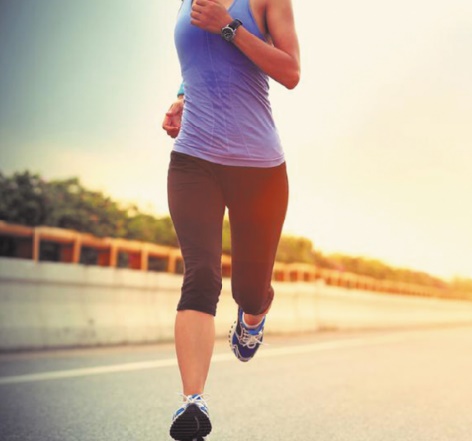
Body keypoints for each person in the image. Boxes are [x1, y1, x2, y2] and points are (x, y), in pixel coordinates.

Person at [161, 0, 300, 439]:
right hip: (194, 160)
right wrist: (182, 98)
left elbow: (291, 72)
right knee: (201, 274)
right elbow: (200, 64)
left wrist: (229, 26)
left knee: (249, 290)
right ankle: (192, 406)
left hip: (259, 169)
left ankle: (254, 315)